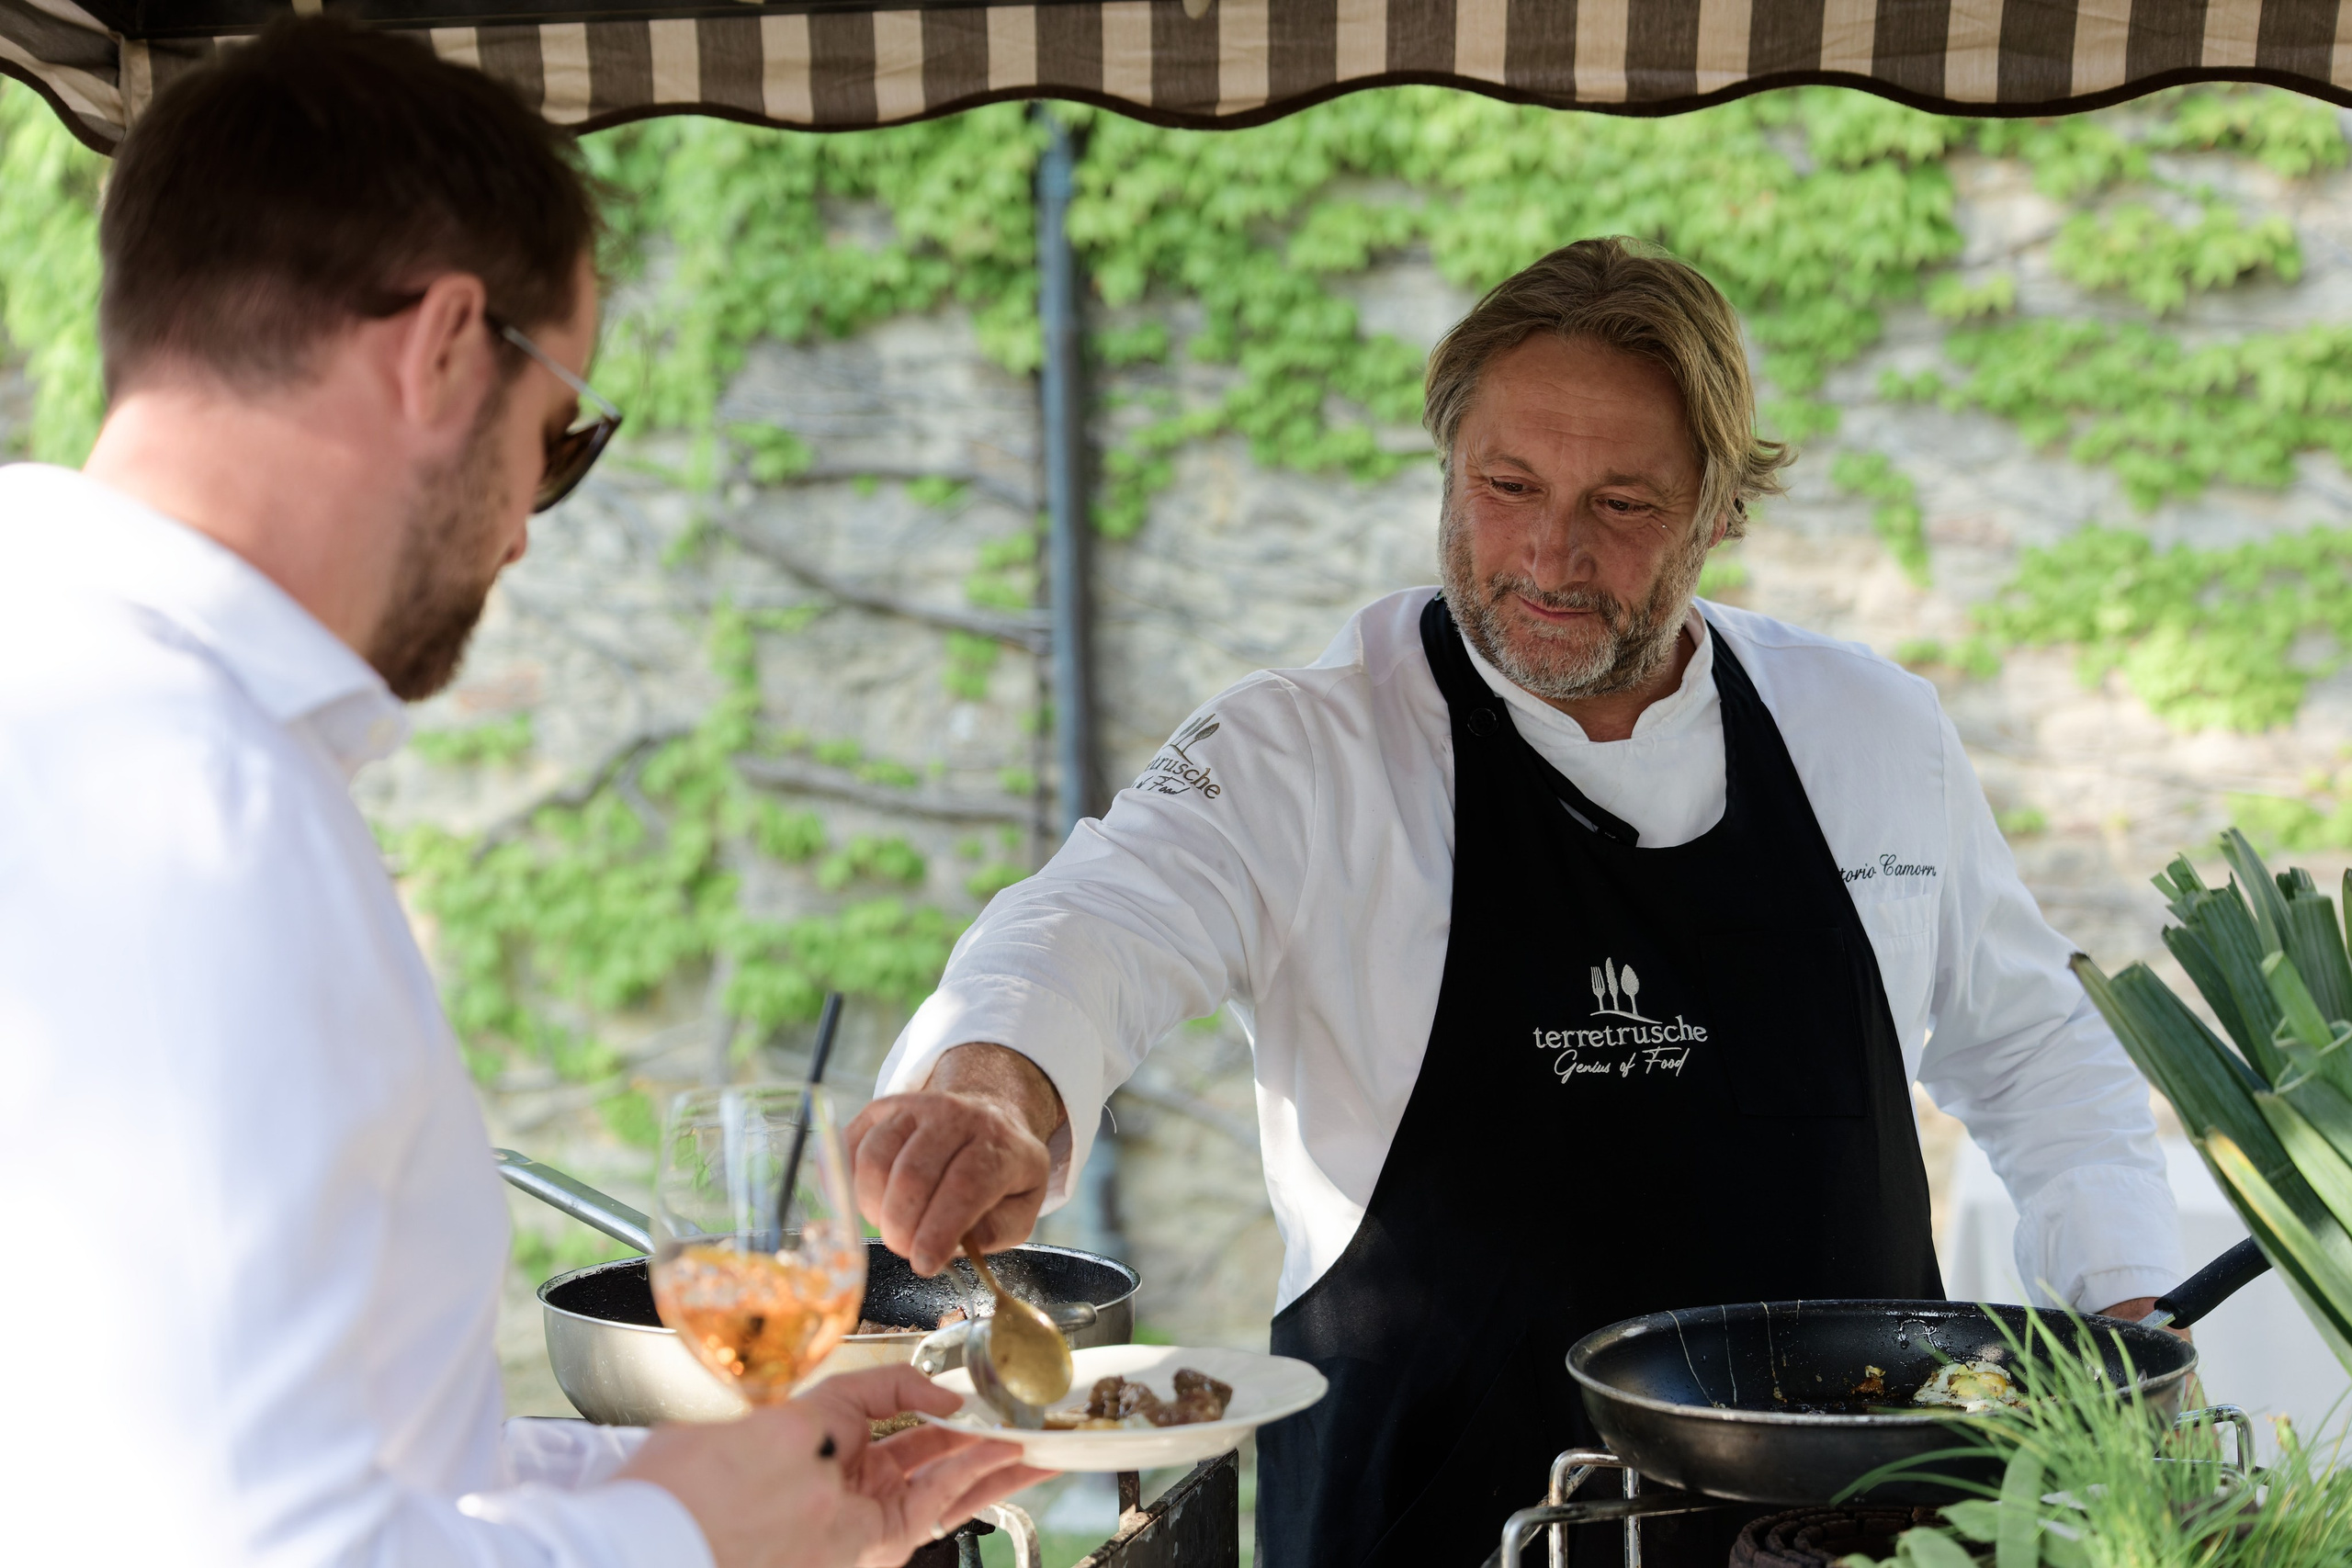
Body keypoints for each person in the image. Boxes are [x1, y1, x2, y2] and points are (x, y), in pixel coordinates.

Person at [847, 238, 2187, 1566]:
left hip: (1859, 1542)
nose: (1548, 552)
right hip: (1435, 1535)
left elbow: (2036, 1053)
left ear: (1722, 507)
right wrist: (992, 1087)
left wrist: (2132, 1317)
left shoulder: (1873, 733)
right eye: (1505, 483)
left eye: (1622, 504)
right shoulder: (1305, 754)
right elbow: (1094, 922)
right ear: (1448, 466)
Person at [0, 20, 1046, 1567]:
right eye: (559, 438)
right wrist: (691, 1548)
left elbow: (327, 1459)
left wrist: (696, 1492)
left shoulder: (85, 689)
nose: (526, 533)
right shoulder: (184, 804)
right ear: (439, 349)